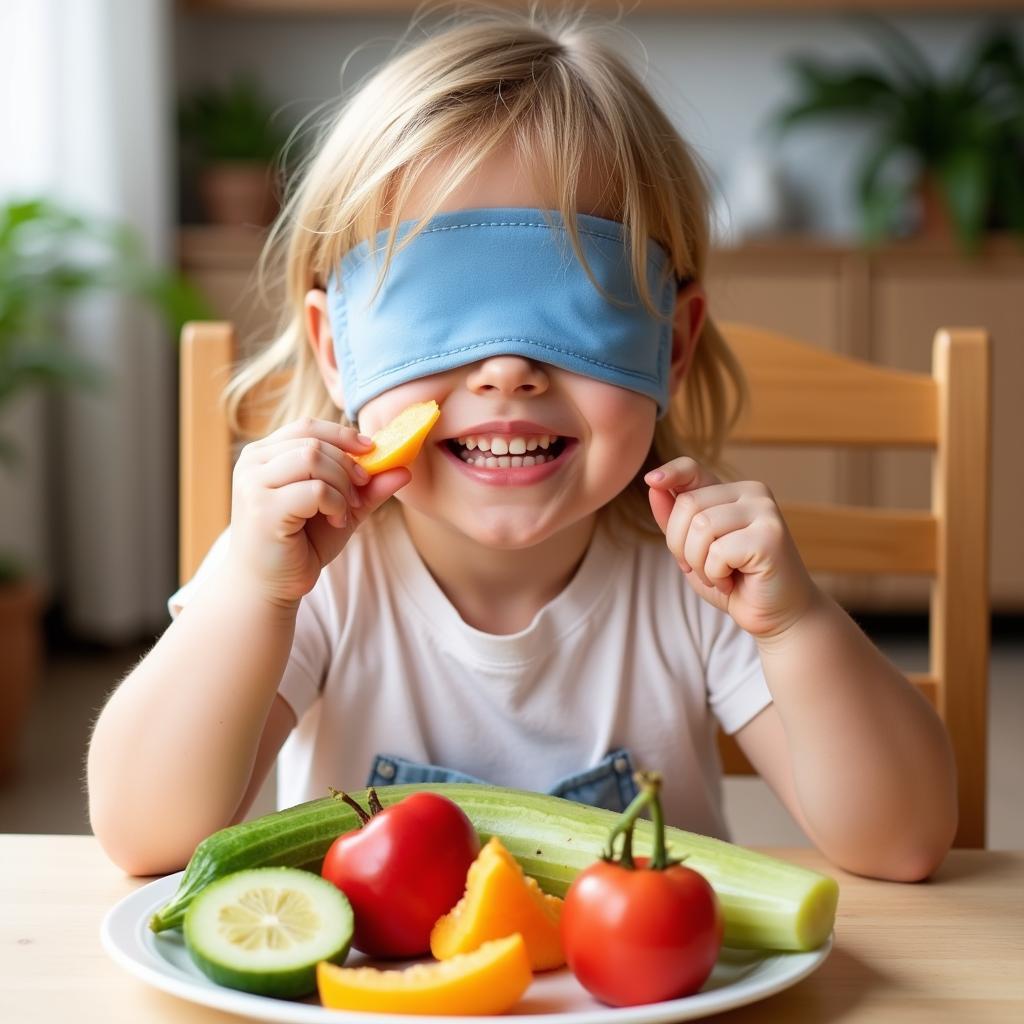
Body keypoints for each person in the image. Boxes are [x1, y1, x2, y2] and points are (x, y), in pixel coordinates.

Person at [87, 6, 956, 881]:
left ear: (673, 345)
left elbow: (906, 842)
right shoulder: (312, 576)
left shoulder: (700, 579)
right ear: (336, 349)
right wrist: (251, 590)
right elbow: (142, 833)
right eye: (440, 309)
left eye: (577, 297)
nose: (506, 369)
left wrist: (795, 623)